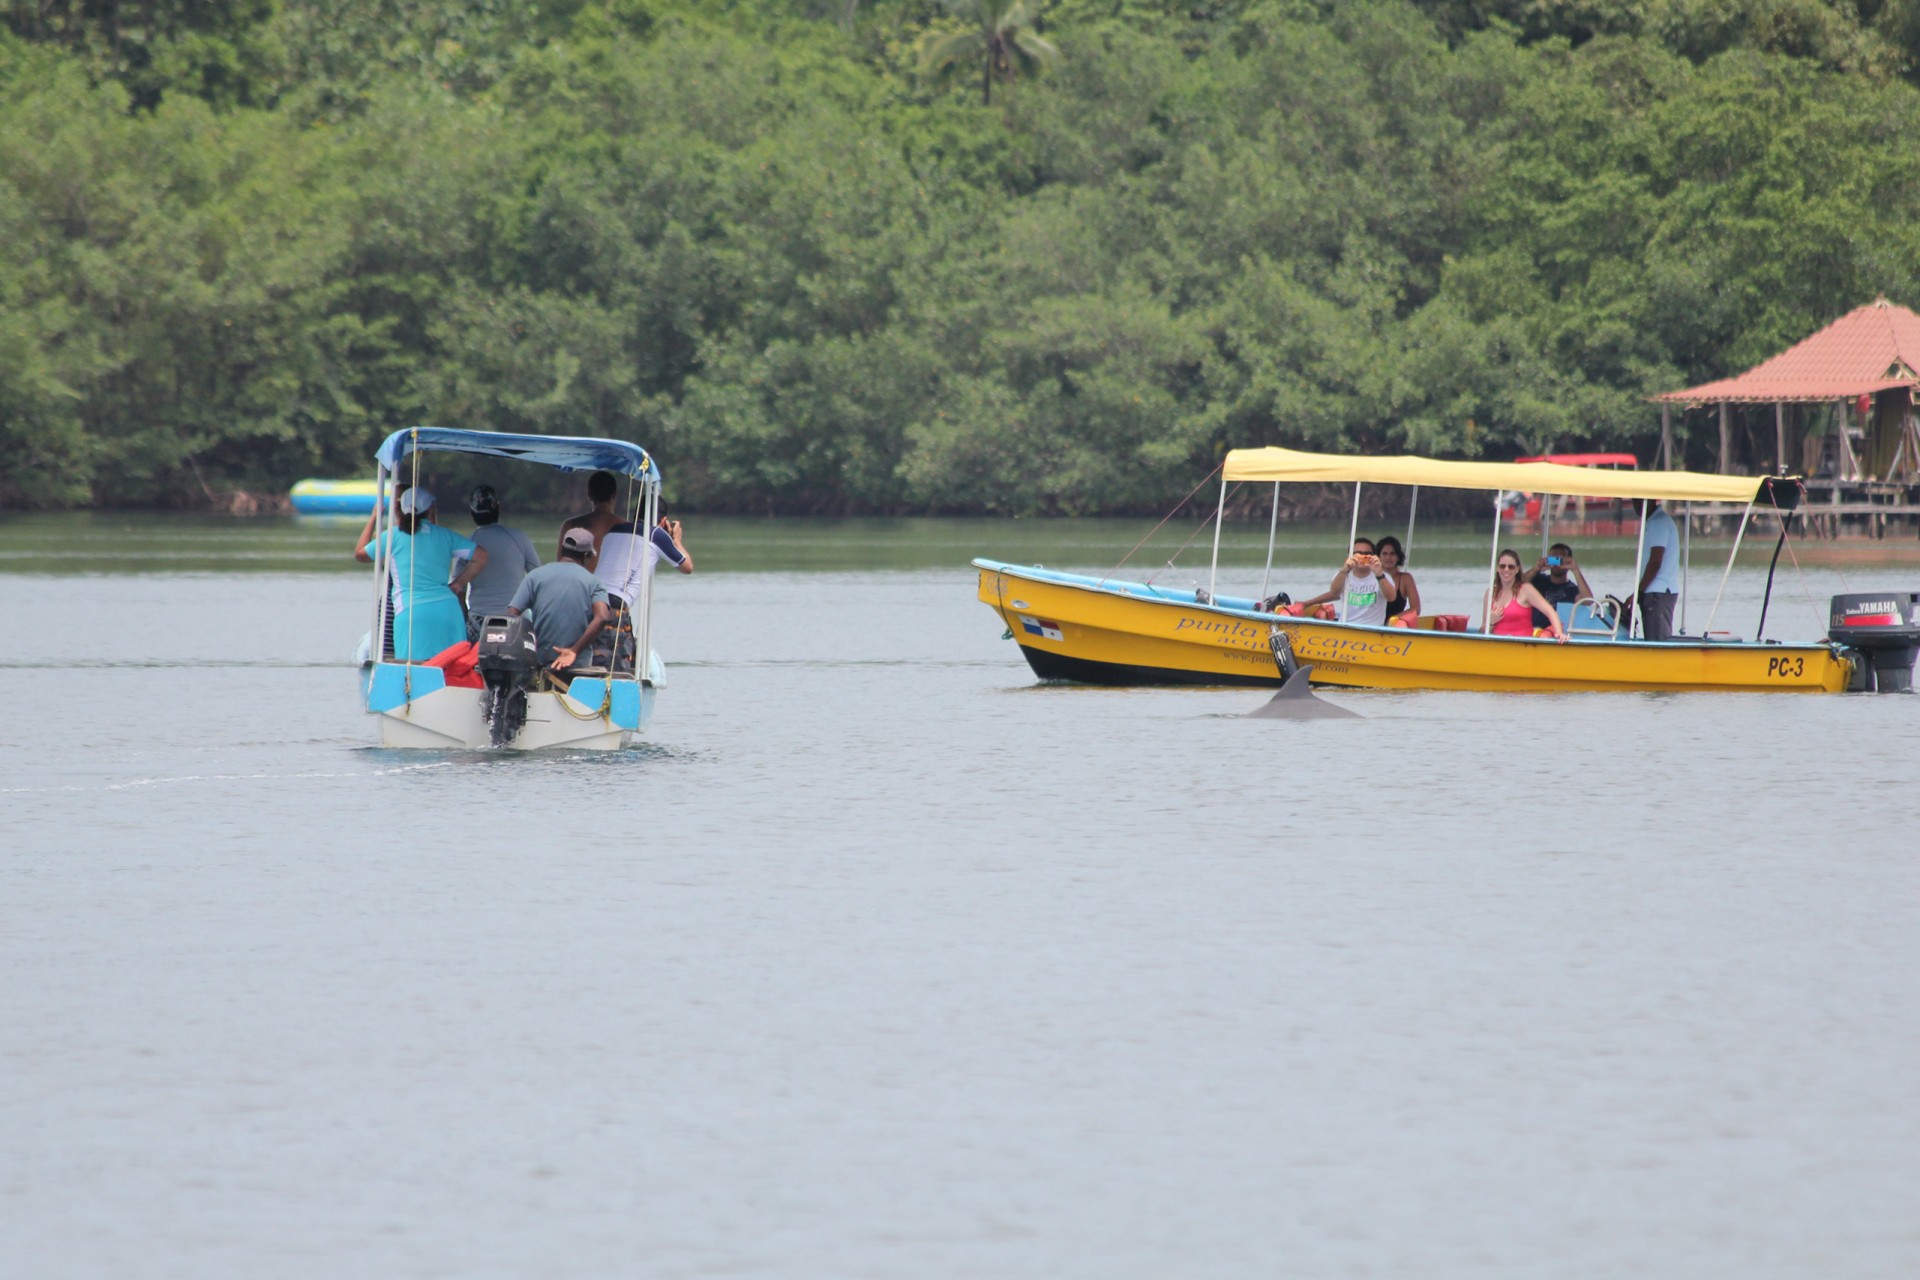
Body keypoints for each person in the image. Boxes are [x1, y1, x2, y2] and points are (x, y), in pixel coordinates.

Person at [354, 489, 487, 660]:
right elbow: (481, 556)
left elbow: (360, 554)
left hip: (411, 612)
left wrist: (374, 517)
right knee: (453, 671)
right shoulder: (445, 536)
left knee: (410, 673)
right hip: (447, 611)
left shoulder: (392, 536)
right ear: (430, 509)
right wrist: (459, 583)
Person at [508, 527, 611, 671]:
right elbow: (602, 617)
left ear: (562, 549)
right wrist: (574, 651)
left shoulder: (535, 576)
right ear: (586, 555)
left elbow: (512, 614)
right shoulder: (593, 582)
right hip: (577, 662)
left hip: (540, 659)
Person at [462, 485, 542, 636]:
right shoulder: (520, 538)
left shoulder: (467, 543)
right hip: (515, 619)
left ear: (471, 512)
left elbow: (459, 591)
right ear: (498, 507)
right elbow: (538, 579)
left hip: (479, 622)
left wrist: (464, 623)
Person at [593, 506, 693, 609]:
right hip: (615, 601)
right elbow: (687, 567)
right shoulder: (655, 534)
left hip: (591, 594)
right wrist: (676, 541)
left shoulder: (614, 529)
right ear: (663, 521)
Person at [1293, 537, 1399, 626]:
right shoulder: (1343, 575)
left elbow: (1392, 598)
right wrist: (1345, 570)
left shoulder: (1383, 577)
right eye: (1358, 554)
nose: (1362, 556)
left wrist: (1379, 574)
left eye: (1367, 554)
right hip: (1346, 626)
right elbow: (1334, 592)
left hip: (1372, 629)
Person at [1483, 549, 1568, 642]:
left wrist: (1559, 633)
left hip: (1523, 647)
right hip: (1497, 647)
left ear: (1517, 569)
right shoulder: (1490, 593)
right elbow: (1482, 631)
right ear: (1498, 568)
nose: (1506, 569)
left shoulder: (1526, 590)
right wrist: (1490, 623)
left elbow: (1550, 612)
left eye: (1511, 567)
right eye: (1502, 566)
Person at [1635, 498, 1680, 640]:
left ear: (1651, 501)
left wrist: (1639, 591)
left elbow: (1655, 561)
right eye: (1635, 501)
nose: (1636, 505)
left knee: (1657, 641)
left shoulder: (1658, 522)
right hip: (1655, 590)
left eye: (1640, 501)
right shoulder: (1653, 522)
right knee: (1653, 638)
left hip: (1658, 592)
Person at [1528, 541, 1594, 630]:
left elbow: (1588, 601)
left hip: (1558, 634)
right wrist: (1535, 569)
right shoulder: (1538, 580)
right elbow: (1517, 584)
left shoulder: (1571, 589)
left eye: (1560, 560)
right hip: (1534, 631)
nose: (1557, 564)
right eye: (1553, 559)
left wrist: (1575, 570)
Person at [558, 470, 622, 561]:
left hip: (577, 575)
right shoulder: (626, 528)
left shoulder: (570, 526)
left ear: (589, 495)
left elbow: (560, 563)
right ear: (614, 495)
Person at [1374, 536, 1420, 627]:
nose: (1388, 557)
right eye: (1384, 554)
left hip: (1394, 628)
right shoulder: (1370, 576)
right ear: (1378, 556)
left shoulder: (1405, 579)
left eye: (1392, 554)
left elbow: (1416, 609)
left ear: (1398, 557)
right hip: (1371, 625)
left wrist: (1394, 619)